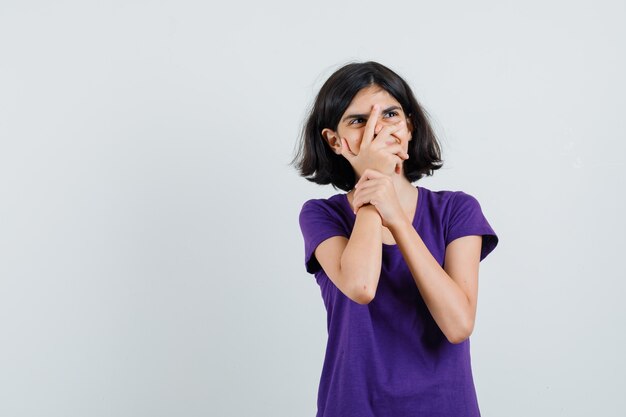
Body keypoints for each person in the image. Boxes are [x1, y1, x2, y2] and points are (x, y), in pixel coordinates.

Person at [290, 61, 499, 417]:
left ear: (409, 126)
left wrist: (398, 220)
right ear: (334, 141)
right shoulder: (321, 216)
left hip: (445, 406)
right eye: (358, 121)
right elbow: (360, 286)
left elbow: (458, 324)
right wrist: (374, 185)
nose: (378, 129)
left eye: (390, 114)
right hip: (353, 406)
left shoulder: (456, 210)